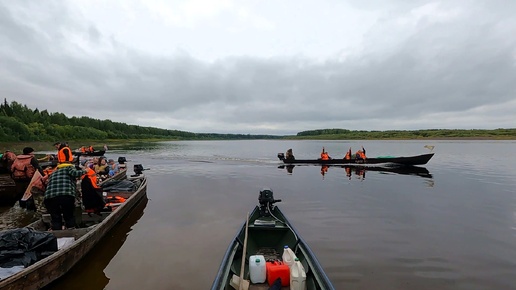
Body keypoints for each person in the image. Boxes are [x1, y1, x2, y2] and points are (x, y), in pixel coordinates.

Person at [44, 161, 86, 230]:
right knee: (68, 215)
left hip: (49, 197)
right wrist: (85, 170)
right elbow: (75, 173)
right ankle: (71, 230)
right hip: (65, 195)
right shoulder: (69, 167)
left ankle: (56, 232)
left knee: (55, 217)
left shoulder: (54, 172)